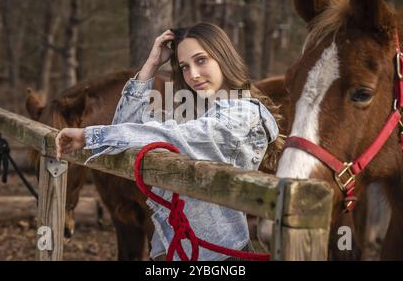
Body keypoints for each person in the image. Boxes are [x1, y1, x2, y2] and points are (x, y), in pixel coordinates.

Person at [55, 22, 283, 261]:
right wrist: (151, 65)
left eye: (201, 60)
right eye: (184, 66)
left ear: (223, 57)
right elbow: (124, 125)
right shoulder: (203, 111)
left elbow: (172, 136)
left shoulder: (243, 114)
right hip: (173, 250)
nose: (193, 74)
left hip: (216, 255)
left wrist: (90, 136)